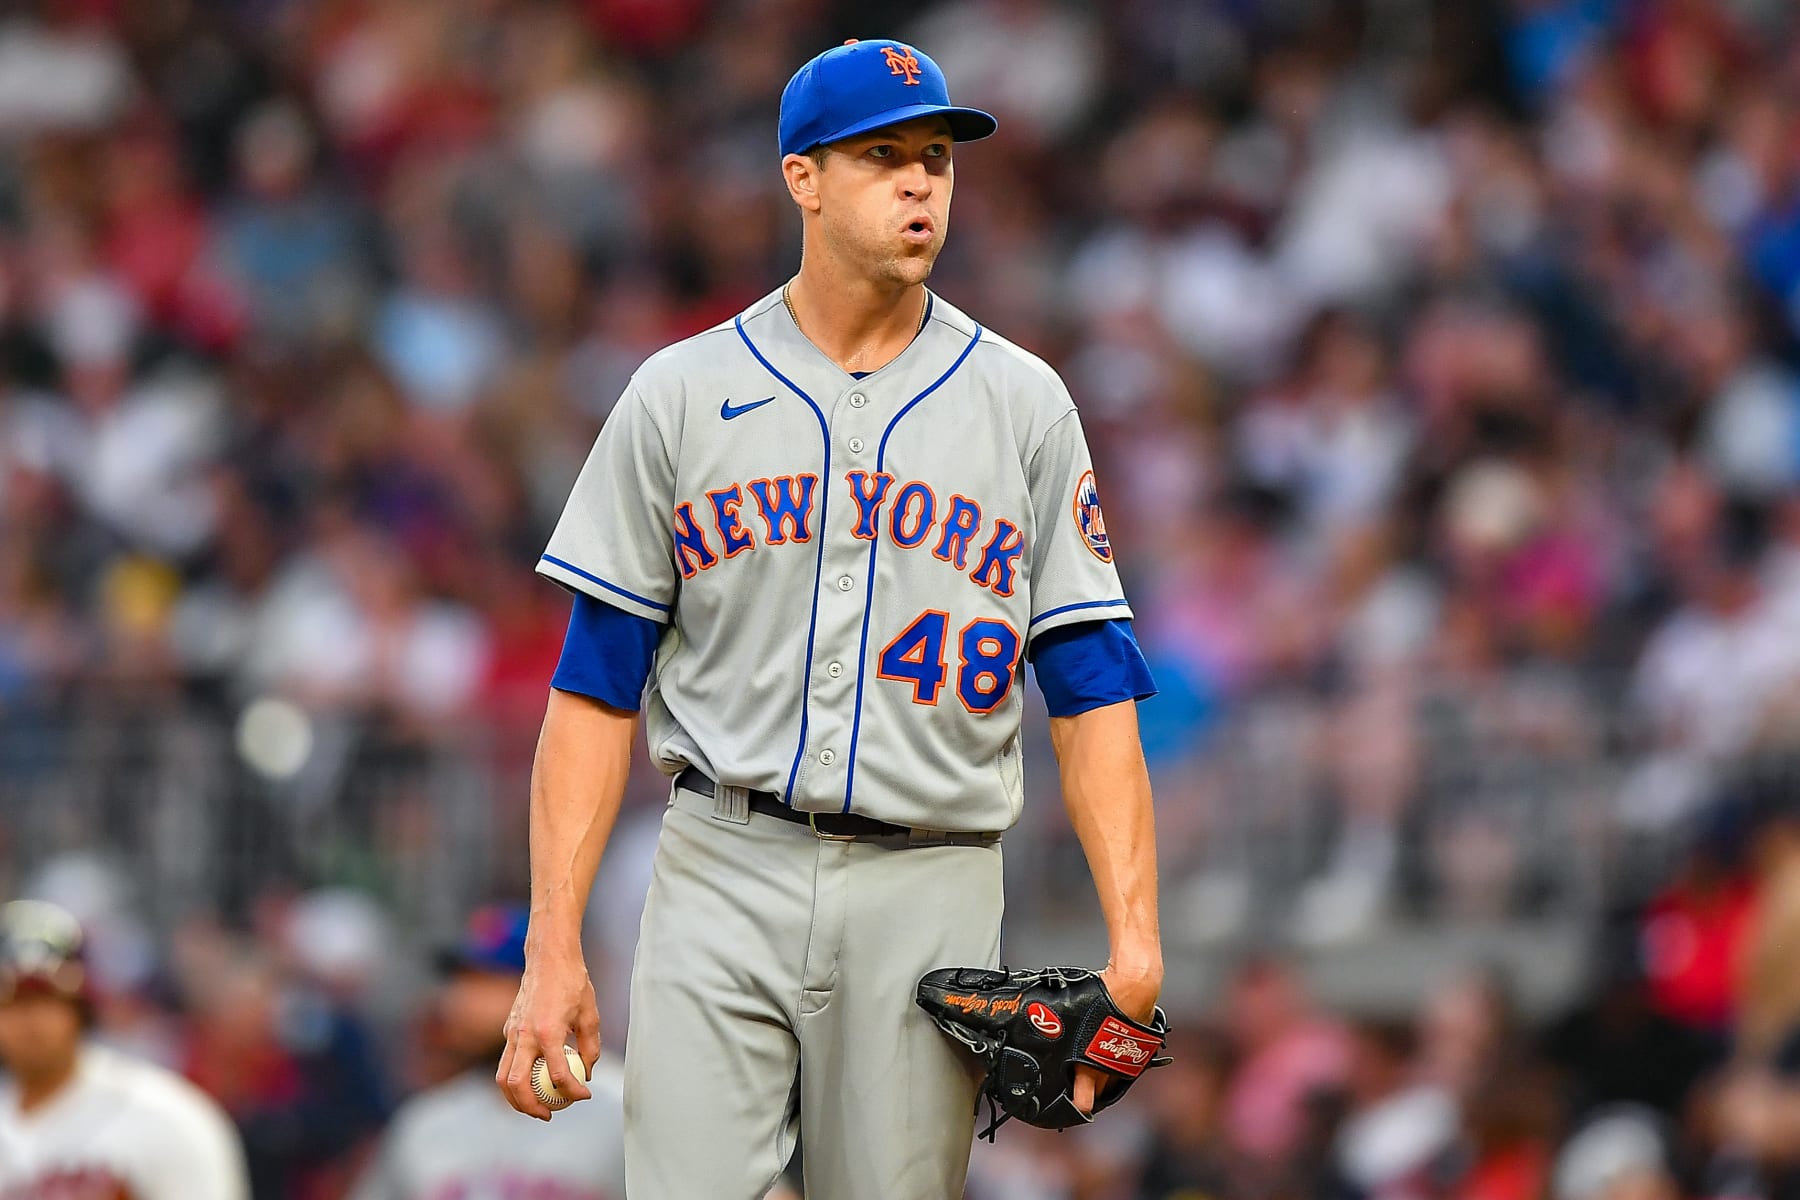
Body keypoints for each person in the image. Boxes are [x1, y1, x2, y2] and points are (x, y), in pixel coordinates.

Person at [496, 36, 1165, 1200]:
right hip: (721, 860)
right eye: (883, 158)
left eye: (937, 160)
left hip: (932, 881)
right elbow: (594, 685)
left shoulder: (1023, 403)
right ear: (802, 177)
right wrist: (551, 944)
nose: (921, 183)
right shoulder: (684, 392)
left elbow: (1093, 686)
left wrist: (1138, 944)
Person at [349, 903, 627, 1200]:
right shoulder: (424, 1123)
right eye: (459, 982)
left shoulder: (624, 1107)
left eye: (485, 983)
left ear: (544, 990)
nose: (458, 1002)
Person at [0, 899, 250, 1200]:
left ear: (81, 1005)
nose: (32, 1020)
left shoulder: (168, 1115)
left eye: (48, 999)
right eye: (13, 1002)